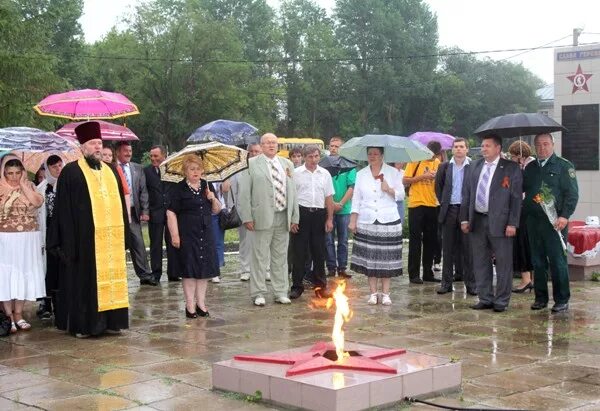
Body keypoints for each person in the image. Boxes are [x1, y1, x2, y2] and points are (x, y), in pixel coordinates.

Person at [50, 121, 129, 337]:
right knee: (85, 282)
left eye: (99, 143)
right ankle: (85, 325)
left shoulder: (112, 170)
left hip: (110, 240)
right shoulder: (71, 172)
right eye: (93, 143)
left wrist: (126, 236)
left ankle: (112, 322)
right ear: (82, 146)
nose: (97, 147)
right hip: (83, 240)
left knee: (111, 279)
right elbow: (63, 211)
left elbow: (121, 204)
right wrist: (67, 242)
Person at [460, 134, 522, 312]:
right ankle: (485, 297)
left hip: (502, 223)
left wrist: (513, 223)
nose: (483, 149)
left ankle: (501, 301)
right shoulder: (474, 166)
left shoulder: (510, 168)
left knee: (503, 263)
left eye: (487, 146)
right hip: (477, 220)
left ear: (498, 148)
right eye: (482, 146)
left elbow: (516, 198)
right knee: (480, 261)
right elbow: (467, 194)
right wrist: (464, 218)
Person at [238, 133, 299, 306]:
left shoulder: (286, 164)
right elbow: (244, 194)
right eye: (267, 143)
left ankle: (280, 291)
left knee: (280, 257)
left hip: (282, 215)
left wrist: (294, 216)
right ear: (261, 145)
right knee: (259, 257)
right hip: (261, 217)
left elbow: (293, 192)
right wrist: (247, 217)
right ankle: (258, 292)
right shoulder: (251, 164)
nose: (271, 145)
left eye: (274, 142)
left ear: (278, 145)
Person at [523, 133, 579, 313]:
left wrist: (564, 216)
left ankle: (562, 299)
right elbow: (523, 190)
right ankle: (540, 298)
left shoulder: (564, 166)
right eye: (538, 145)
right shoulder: (530, 167)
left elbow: (572, 194)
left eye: (546, 144)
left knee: (557, 261)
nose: (542, 148)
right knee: (537, 261)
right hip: (533, 221)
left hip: (555, 222)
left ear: (553, 145)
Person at [167, 155, 220, 318]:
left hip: (205, 233)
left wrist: (213, 199)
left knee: (203, 270)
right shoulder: (179, 189)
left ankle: (201, 303)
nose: (195, 172)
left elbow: (217, 210)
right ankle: (190, 304)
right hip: (187, 234)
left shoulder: (207, 186)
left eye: (198, 169)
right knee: (189, 270)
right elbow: (171, 213)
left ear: (202, 170)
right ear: (185, 171)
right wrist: (175, 235)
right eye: (192, 169)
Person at [349, 147, 404, 305]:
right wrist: (353, 220)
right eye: (369, 154)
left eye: (375, 154)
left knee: (386, 258)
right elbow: (357, 198)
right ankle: (373, 293)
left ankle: (386, 293)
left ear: (382, 155)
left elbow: (401, 195)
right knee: (370, 258)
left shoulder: (393, 172)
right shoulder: (361, 174)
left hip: (388, 219)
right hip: (367, 220)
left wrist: (389, 190)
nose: (372, 157)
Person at [0, 155, 45, 333]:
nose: (14, 177)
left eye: (18, 172)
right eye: (10, 173)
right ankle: (8, 316)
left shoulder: (30, 186)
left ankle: (19, 314)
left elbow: (37, 202)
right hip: (5, 237)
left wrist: (24, 187)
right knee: (6, 275)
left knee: (24, 273)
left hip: (28, 236)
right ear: (4, 172)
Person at [289, 145, 334, 300]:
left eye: (316, 156)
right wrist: (292, 219)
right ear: (304, 157)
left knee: (319, 251)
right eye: (310, 157)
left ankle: (321, 286)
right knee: (299, 252)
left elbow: (329, 197)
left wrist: (329, 218)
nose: (314, 160)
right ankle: (296, 286)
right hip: (302, 213)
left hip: (319, 214)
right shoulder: (296, 174)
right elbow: (292, 198)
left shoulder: (325, 174)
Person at [434, 138, 476, 295]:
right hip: (449, 210)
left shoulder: (473, 166)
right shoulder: (444, 167)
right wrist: (444, 203)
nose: (458, 149)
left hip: (466, 211)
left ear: (467, 149)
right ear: (452, 150)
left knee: (468, 249)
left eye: (462, 147)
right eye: (456, 147)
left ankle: (471, 284)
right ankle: (446, 283)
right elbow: (438, 187)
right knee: (448, 249)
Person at [116, 141, 156, 286]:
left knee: (138, 243)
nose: (128, 153)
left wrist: (145, 211)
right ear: (117, 152)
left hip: (133, 212)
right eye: (125, 151)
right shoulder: (111, 168)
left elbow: (143, 191)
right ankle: (117, 276)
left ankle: (145, 274)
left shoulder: (137, 169)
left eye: (130, 151)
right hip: (116, 213)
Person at [403, 141, 442, 284]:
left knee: (431, 240)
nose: (433, 158)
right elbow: (405, 180)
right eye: (431, 155)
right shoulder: (415, 160)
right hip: (416, 204)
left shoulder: (437, 162)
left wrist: (436, 177)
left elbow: (440, 181)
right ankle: (413, 274)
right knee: (415, 240)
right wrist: (423, 177)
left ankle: (428, 273)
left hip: (432, 204)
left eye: (435, 156)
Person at [144, 145, 181, 282]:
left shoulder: (173, 170)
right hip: (155, 213)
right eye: (151, 156)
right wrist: (146, 211)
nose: (153, 159)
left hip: (171, 212)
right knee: (155, 244)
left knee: (173, 242)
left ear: (164, 156)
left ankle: (173, 273)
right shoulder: (146, 171)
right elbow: (144, 192)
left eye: (156, 156)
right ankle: (156, 273)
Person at [226, 142, 262, 282]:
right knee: (245, 242)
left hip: (261, 210)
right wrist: (231, 208)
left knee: (263, 241)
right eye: (252, 151)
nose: (254, 153)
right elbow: (233, 191)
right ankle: (245, 269)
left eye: (257, 151)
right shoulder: (239, 169)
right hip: (243, 211)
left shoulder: (265, 168)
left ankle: (264, 270)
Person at [36, 154, 64, 320]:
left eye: (60, 165)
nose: (58, 169)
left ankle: (62, 303)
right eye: (54, 167)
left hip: (64, 234)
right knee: (49, 269)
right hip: (47, 233)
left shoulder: (68, 185)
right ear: (47, 169)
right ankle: (47, 303)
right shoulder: (41, 188)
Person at [325, 136, 356, 279]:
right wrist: (331, 204)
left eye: (337, 146)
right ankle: (331, 267)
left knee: (343, 240)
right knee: (328, 239)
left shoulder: (350, 165)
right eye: (331, 146)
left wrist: (341, 203)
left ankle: (342, 267)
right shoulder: (322, 164)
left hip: (344, 208)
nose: (333, 148)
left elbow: (351, 187)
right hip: (327, 207)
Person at [508, 141, 535, 293]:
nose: (511, 159)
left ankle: (526, 280)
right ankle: (528, 278)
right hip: (523, 211)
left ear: (519, 156)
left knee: (523, 245)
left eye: (513, 156)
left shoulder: (529, 167)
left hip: (525, 211)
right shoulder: (523, 167)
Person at [102, 145, 131, 222]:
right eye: (104, 155)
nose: (107, 157)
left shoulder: (117, 169)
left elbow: (126, 192)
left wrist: (128, 214)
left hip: (115, 206)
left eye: (110, 155)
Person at [209, 181, 226, 283]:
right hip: (205, 216)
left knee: (218, 242)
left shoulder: (212, 181)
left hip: (218, 213)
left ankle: (216, 270)